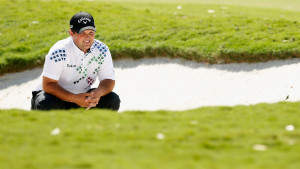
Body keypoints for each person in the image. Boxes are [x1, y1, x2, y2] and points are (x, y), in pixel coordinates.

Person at [31, 11, 120, 111]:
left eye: (91, 33)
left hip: (83, 97)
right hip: (53, 97)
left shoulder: (102, 50)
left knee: (112, 99)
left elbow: (108, 80)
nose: (88, 37)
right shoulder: (59, 52)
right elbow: (48, 85)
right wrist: (74, 98)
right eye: (82, 33)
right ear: (71, 33)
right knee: (45, 102)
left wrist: (97, 93)